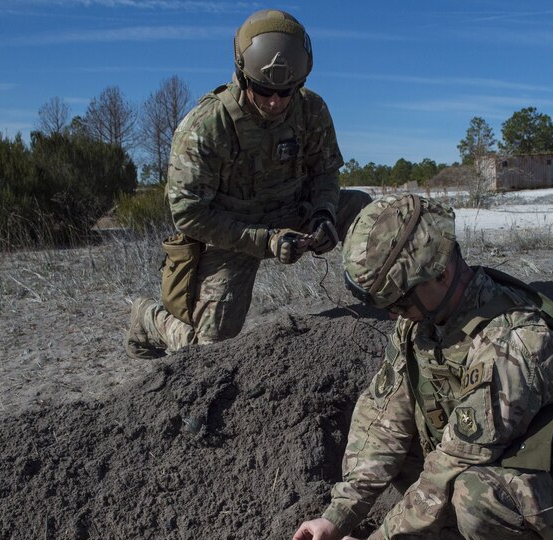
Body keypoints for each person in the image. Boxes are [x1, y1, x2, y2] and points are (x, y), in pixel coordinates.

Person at [293, 193, 553, 540]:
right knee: (412, 479)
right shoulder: (422, 320)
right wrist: (338, 514)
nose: (394, 313)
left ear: (440, 274)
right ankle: (462, 536)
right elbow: (382, 418)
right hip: (490, 457)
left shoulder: (516, 343)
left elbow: (453, 463)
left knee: (475, 497)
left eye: (398, 300)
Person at [126, 9, 371, 357]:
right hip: (231, 234)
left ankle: (384, 301)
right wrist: (264, 241)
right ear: (243, 76)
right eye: (264, 89)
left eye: (286, 91)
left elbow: (325, 172)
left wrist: (324, 214)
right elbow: (189, 214)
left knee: (369, 213)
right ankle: (150, 319)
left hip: (293, 211)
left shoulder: (312, 110)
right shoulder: (207, 126)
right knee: (210, 351)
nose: (275, 102)